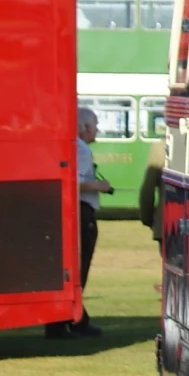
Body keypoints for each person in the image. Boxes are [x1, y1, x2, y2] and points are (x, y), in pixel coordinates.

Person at [48, 108, 109, 339]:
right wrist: (101, 187)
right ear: (84, 127)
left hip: (72, 213)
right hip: (83, 212)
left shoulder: (70, 146)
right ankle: (70, 320)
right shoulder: (81, 150)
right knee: (79, 270)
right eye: (94, 125)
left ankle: (72, 319)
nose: (97, 130)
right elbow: (76, 183)